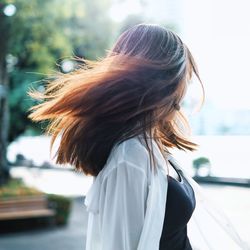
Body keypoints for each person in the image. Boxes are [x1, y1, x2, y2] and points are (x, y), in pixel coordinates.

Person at [27, 23, 249, 250]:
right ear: (165, 81)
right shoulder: (129, 158)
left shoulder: (151, 146)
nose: (186, 88)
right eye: (185, 77)